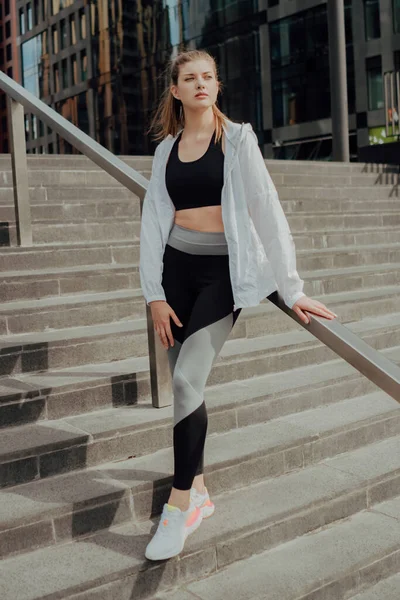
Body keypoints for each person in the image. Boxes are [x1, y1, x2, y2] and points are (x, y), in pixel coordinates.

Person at [139, 49, 337, 561]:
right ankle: (200, 491)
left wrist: (290, 288)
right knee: (186, 388)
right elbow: (153, 224)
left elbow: (267, 212)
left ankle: (179, 506)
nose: (200, 84)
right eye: (189, 78)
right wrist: (155, 295)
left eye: (208, 76)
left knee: (185, 381)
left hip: (222, 276)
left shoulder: (239, 140)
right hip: (176, 274)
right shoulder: (165, 151)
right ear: (176, 91)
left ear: (217, 86)